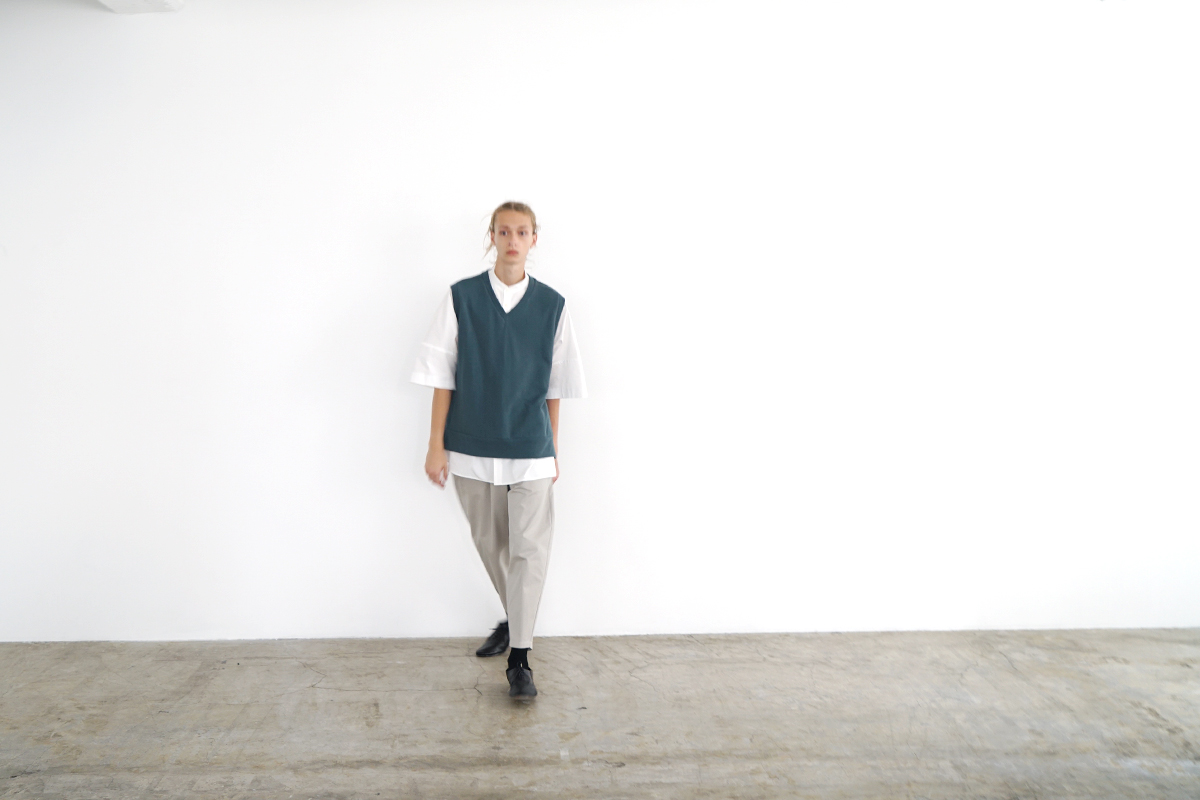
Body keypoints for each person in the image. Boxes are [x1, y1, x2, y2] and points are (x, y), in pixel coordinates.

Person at [411, 201, 587, 701]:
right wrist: (435, 446)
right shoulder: (462, 298)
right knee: (492, 544)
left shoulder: (552, 305)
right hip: (471, 444)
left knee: (530, 550)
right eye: (504, 231)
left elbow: (556, 385)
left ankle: (520, 659)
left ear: (534, 239)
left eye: (522, 232)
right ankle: (517, 618)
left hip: (531, 446)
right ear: (491, 236)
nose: (513, 240)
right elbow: (442, 377)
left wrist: (552, 448)